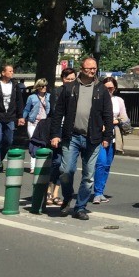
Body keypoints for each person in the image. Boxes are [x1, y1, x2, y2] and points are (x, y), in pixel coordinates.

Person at [49, 57, 113, 221]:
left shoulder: (101, 89)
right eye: (88, 69)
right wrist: (55, 134)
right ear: (81, 68)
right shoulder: (70, 88)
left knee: (88, 176)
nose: (92, 71)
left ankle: (80, 207)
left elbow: (108, 114)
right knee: (66, 171)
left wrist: (107, 136)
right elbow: (58, 113)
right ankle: (67, 197)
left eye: (94, 69)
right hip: (72, 136)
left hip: (93, 138)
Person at [92, 76, 128, 204]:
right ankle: (97, 193)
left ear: (115, 88)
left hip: (113, 135)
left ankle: (101, 191)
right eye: (106, 88)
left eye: (111, 88)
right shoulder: (97, 99)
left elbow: (125, 119)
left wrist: (115, 121)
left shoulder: (119, 101)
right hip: (100, 136)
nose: (109, 90)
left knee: (107, 165)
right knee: (100, 164)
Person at [47, 67, 76, 205]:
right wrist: (55, 134)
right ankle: (48, 188)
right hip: (58, 132)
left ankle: (56, 193)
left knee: (64, 165)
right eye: (67, 79)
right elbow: (54, 114)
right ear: (62, 79)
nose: (70, 82)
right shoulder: (56, 92)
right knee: (56, 162)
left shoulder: (77, 92)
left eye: (72, 79)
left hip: (70, 133)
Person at [22, 78, 51, 174]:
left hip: (44, 124)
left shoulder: (49, 97)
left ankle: (42, 165)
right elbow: (26, 109)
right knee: (35, 143)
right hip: (33, 122)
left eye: (46, 85)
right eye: (42, 86)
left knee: (43, 143)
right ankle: (33, 167)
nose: (44, 88)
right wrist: (22, 118)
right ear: (38, 87)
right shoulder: (32, 97)